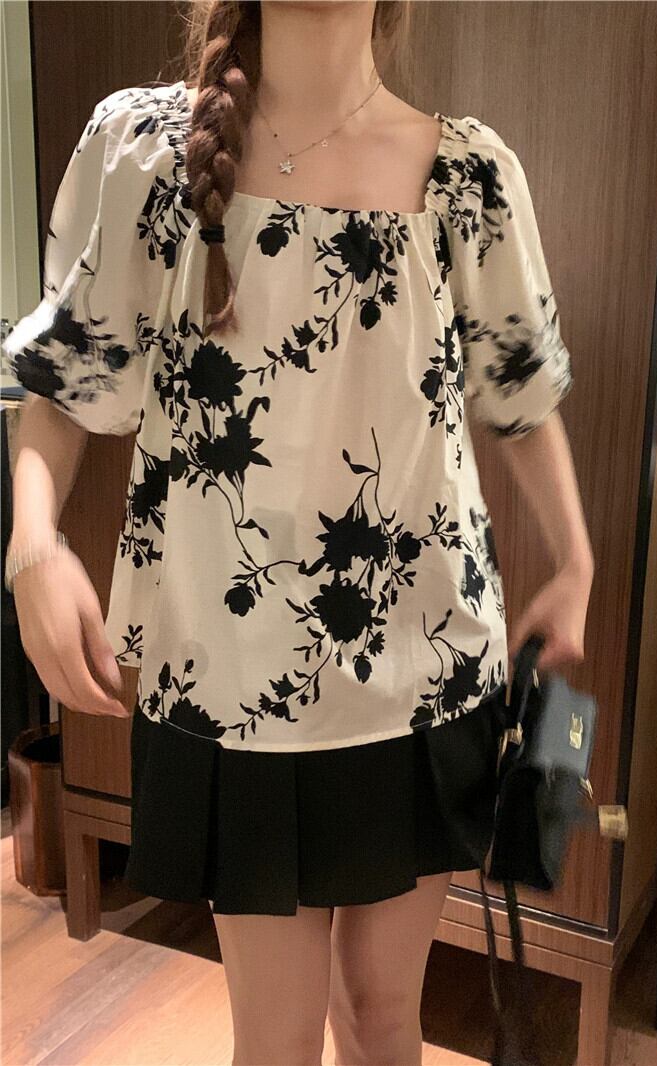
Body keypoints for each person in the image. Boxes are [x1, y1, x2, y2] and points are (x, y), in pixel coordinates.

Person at [2, 2, 594, 1063]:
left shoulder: (470, 175)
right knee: (273, 1039)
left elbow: (519, 389)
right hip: (232, 683)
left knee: (381, 1014)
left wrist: (577, 558)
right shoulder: (145, 153)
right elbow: (67, 374)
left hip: (423, 672)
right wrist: (32, 541)